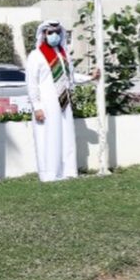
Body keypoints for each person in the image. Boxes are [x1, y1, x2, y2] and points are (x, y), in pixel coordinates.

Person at [26, 20, 99, 182]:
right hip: (46, 104)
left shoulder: (63, 54)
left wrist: (90, 78)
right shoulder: (36, 56)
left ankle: (68, 171)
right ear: (43, 34)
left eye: (57, 32)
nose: (54, 35)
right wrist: (37, 107)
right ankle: (50, 174)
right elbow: (31, 85)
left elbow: (70, 78)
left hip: (64, 102)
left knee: (66, 136)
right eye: (50, 32)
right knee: (48, 138)